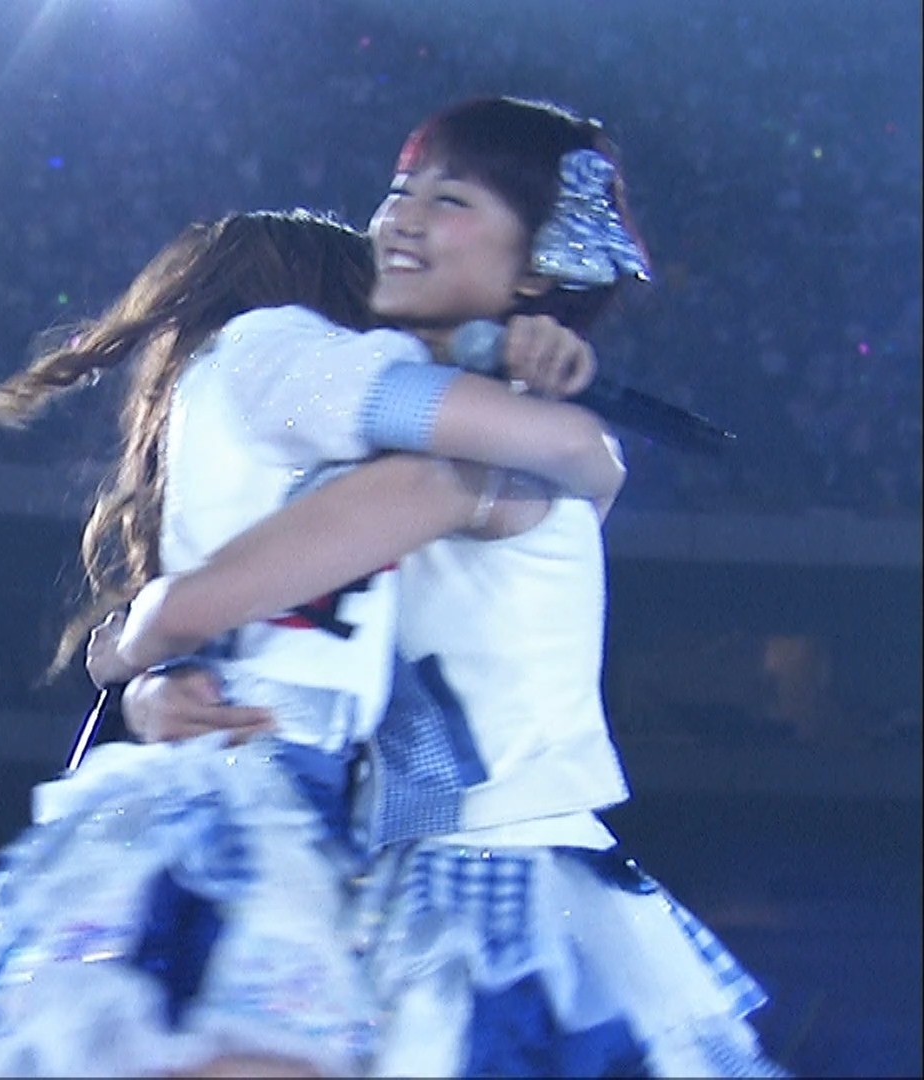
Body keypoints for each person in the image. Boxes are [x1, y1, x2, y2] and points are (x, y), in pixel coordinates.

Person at [94, 97, 786, 1078]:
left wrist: (138, 645)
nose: (401, 218)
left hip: (480, 887)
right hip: (446, 875)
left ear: (534, 265)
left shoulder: (459, 473)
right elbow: (297, 629)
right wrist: (154, 687)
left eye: (449, 199)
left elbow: (209, 602)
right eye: (399, 191)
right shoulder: (457, 443)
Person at [0, 201, 626, 1078]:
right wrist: (508, 366)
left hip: (322, 810)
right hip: (268, 800)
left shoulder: (304, 442)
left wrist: (138, 669)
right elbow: (458, 430)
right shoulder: (276, 352)